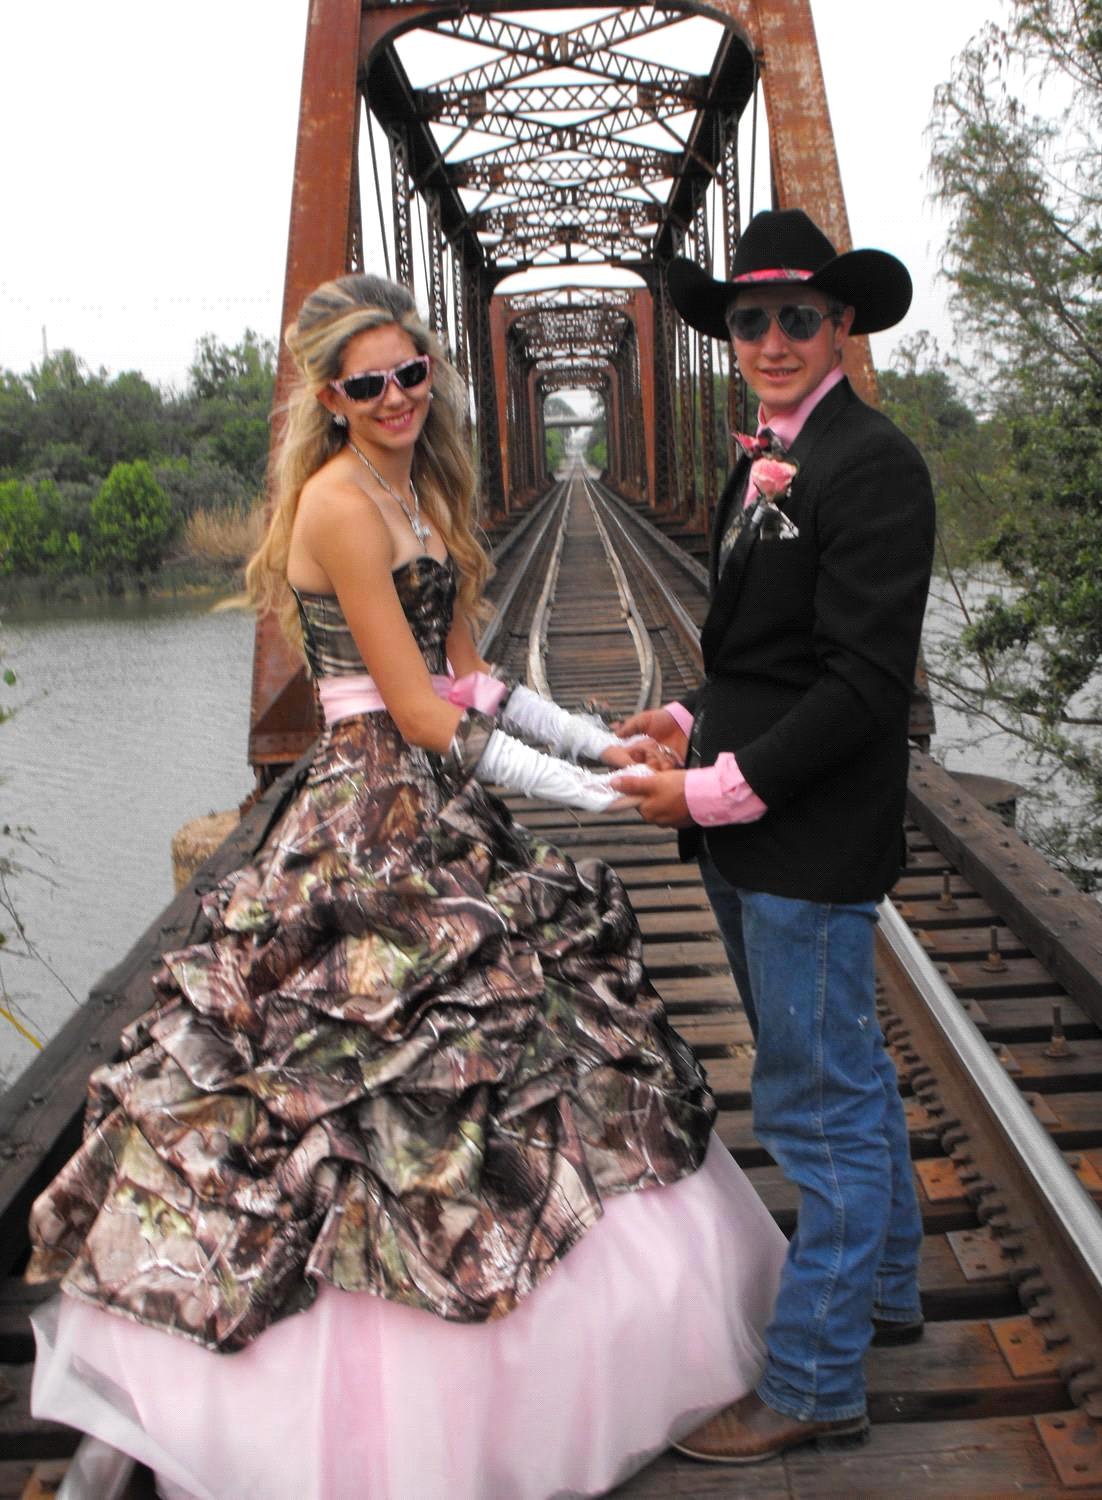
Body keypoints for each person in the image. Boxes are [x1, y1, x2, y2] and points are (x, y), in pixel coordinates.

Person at [25, 272, 787, 1500]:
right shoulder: (338, 504)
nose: (392, 397)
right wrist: (609, 801)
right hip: (370, 810)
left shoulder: (420, 485)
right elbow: (425, 717)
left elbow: (475, 679)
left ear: (432, 375)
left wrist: (605, 739)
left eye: (410, 375)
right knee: (358, 1084)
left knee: (519, 1056)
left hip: (433, 794)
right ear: (328, 397)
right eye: (364, 382)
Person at [612, 209, 935, 1464]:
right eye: (751, 319)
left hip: (805, 845)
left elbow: (861, 690)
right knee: (846, 1088)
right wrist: (690, 719)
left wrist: (702, 793)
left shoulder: (874, 466)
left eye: (800, 315)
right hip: (760, 839)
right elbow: (770, 655)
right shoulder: (768, 460)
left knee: (813, 1110)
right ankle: (888, 1294)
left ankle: (812, 1381)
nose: (774, 338)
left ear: (842, 323)